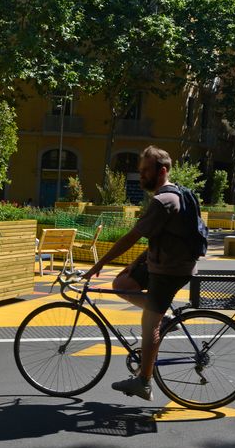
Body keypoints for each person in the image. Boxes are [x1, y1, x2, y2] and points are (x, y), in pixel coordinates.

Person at [82, 146, 200, 401]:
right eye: (140, 171)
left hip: (170, 270)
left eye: (145, 171)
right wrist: (135, 264)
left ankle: (144, 382)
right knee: (123, 282)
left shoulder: (163, 201)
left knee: (150, 325)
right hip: (165, 261)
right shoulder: (171, 194)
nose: (141, 175)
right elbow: (161, 237)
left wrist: (99, 263)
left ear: (162, 171)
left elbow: (133, 236)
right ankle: (165, 317)